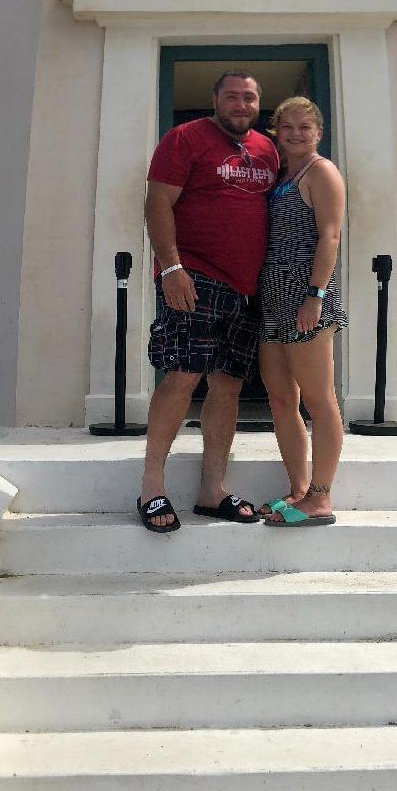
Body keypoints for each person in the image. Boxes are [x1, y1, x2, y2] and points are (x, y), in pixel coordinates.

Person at [134, 70, 279, 532]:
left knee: (228, 385)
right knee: (183, 375)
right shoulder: (185, 138)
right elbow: (158, 202)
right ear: (215, 99)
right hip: (193, 276)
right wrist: (171, 266)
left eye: (249, 98)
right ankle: (152, 488)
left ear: (258, 104)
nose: (241, 104)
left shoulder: (266, 149)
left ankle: (211, 490)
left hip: (246, 287)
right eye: (232, 96)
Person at [256, 94, 348, 525]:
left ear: (318, 133)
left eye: (305, 127)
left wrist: (315, 294)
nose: (296, 134)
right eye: (288, 126)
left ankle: (321, 497)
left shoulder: (322, 172)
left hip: (305, 293)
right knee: (280, 397)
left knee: (318, 398)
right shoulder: (279, 176)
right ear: (277, 130)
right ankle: (299, 490)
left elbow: (329, 238)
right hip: (271, 294)